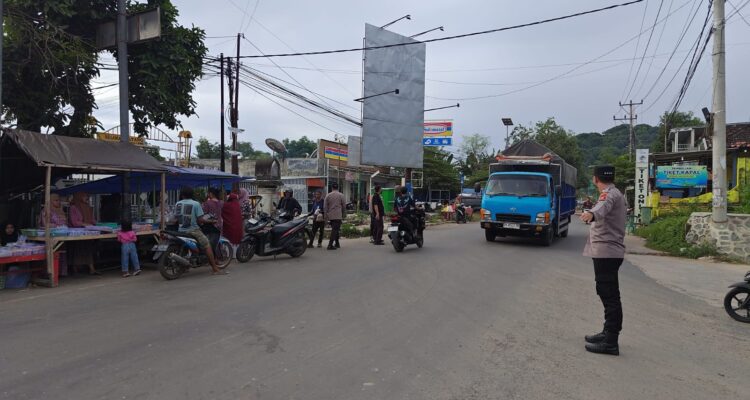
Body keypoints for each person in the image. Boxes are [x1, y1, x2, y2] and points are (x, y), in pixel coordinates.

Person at [580, 165, 627, 356]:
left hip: (607, 251)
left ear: (595, 179)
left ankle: (610, 341)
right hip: (608, 251)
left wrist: (590, 214)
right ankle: (607, 333)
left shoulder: (608, 194)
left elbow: (601, 207)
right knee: (606, 292)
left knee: (609, 295)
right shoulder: (616, 193)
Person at [175, 187, 225, 275]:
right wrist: (211, 221)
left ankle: (185, 265)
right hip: (193, 230)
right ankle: (215, 268)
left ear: (182, 195)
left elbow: (176, 218)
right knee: (207, 245)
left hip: (180, 230)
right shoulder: (196, 204)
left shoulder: (178, 204)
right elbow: (201, 220)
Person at [68, 192, 99, 275]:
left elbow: (92, 220)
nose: (87, 198)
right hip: (77, 233)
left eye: (87, 196)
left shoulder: (88, 207)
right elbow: (74, 222)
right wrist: (84, 224)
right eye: (85, 196)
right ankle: (75, 269)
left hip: (88, 232)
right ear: (79, 196)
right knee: (77, 251)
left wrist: (98, 225)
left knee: (88, 249)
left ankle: (92, 269)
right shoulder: (73, 208)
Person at [324, 183, 346, 250]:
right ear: (338, 188)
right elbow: (344, 206)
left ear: (332, 188)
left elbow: (325, 206)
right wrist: (343, 213)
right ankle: (330, 245)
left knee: (335, 229)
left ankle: (337, 243)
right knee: (335, 230)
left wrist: (326, 215)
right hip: (338, 215)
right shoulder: (341, 195)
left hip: (330, 215)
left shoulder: (328, 195)